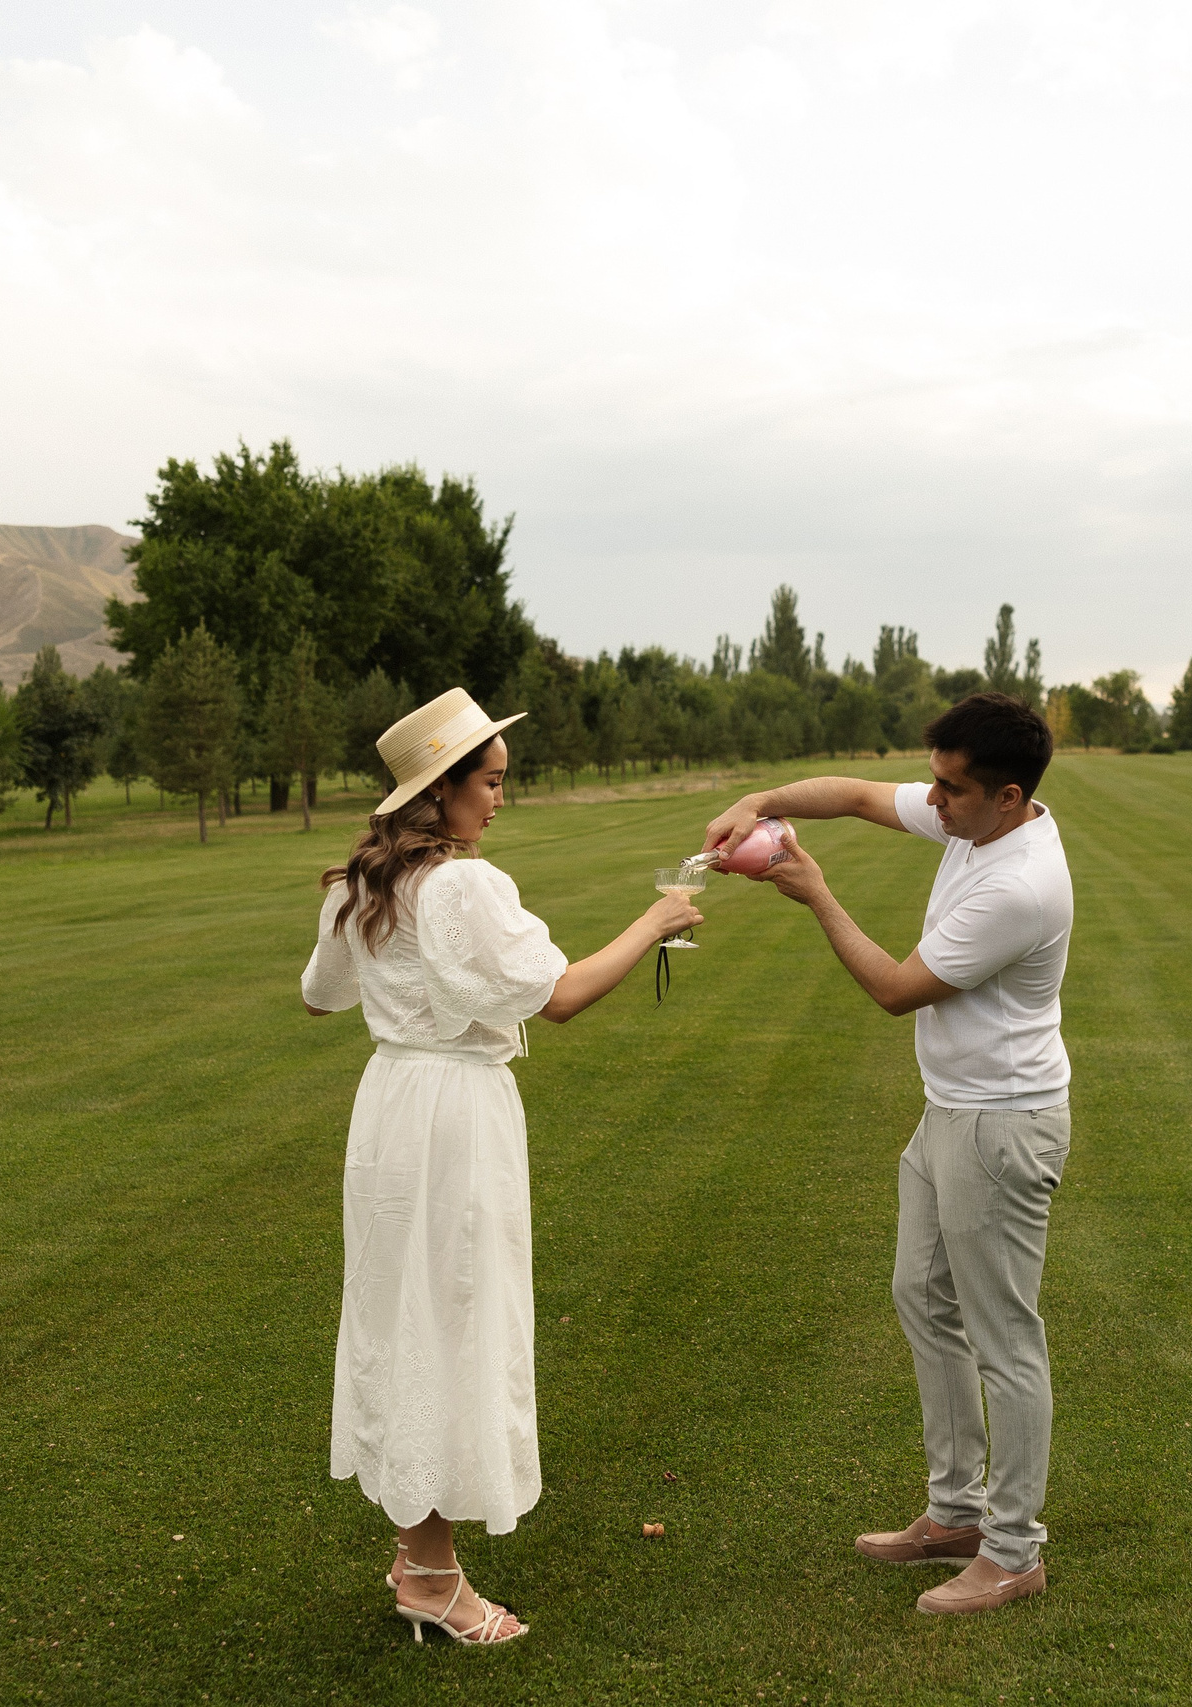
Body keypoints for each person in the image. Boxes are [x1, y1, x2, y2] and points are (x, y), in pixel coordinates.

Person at [302, 687, 702, 1647]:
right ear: (437, 793)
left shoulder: (360, 882)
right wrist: (656, 922)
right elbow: (557, 996)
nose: (499, 800)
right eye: (488, 782)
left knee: (407, 1310)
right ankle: (434, 1576)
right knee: (450, 1315)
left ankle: (416, 1551)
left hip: (391, 1107)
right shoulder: (463, 885)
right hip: (452, 1117)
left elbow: (322, 997)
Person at [702, 691, 1074, 1616]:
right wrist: (762, 803)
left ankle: (1015, 1547)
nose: (933, 801)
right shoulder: (975, 820)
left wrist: (816, 892)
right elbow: (863, 795)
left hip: (1002, 1122)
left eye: (950, 790)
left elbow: (899, 989)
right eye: (937, 781)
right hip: (950, 1109)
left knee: (1006, 1337)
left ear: (1009, 794)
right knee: (921, 1293)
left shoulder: (1018, 884)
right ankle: (955, 1513)